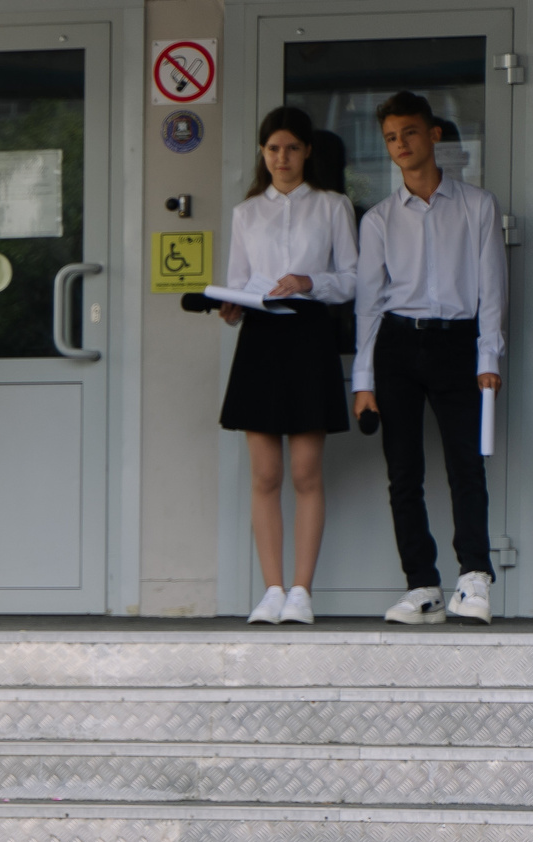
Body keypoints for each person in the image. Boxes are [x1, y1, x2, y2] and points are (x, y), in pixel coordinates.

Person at [355, 91, 507, 626]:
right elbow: (369, 305)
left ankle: (474, 577)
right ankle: (422, 585)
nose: (401, 145)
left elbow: (492, 289)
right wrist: (363, 379)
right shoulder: (377, 220)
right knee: (404, 472)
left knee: (467, 465)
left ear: (434, 135)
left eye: (410, 133)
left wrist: (488, 355)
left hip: (457, 343)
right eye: (392, 138)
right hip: (398, 345)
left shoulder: (476, 205)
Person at [214, 108, 357, 626]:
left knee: (304, 472)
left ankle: (301, 591)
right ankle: (271, 590)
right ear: (262, 153)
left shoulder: (334, 206)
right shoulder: (246, 212)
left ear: (308, 151)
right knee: (265, 474)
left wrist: (308, 282)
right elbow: (238, 281)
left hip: (309, 335)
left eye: (291, 148)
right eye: (273, 149)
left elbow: (354, 280)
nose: (282, 158)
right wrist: (230, 310)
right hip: (260, 339)